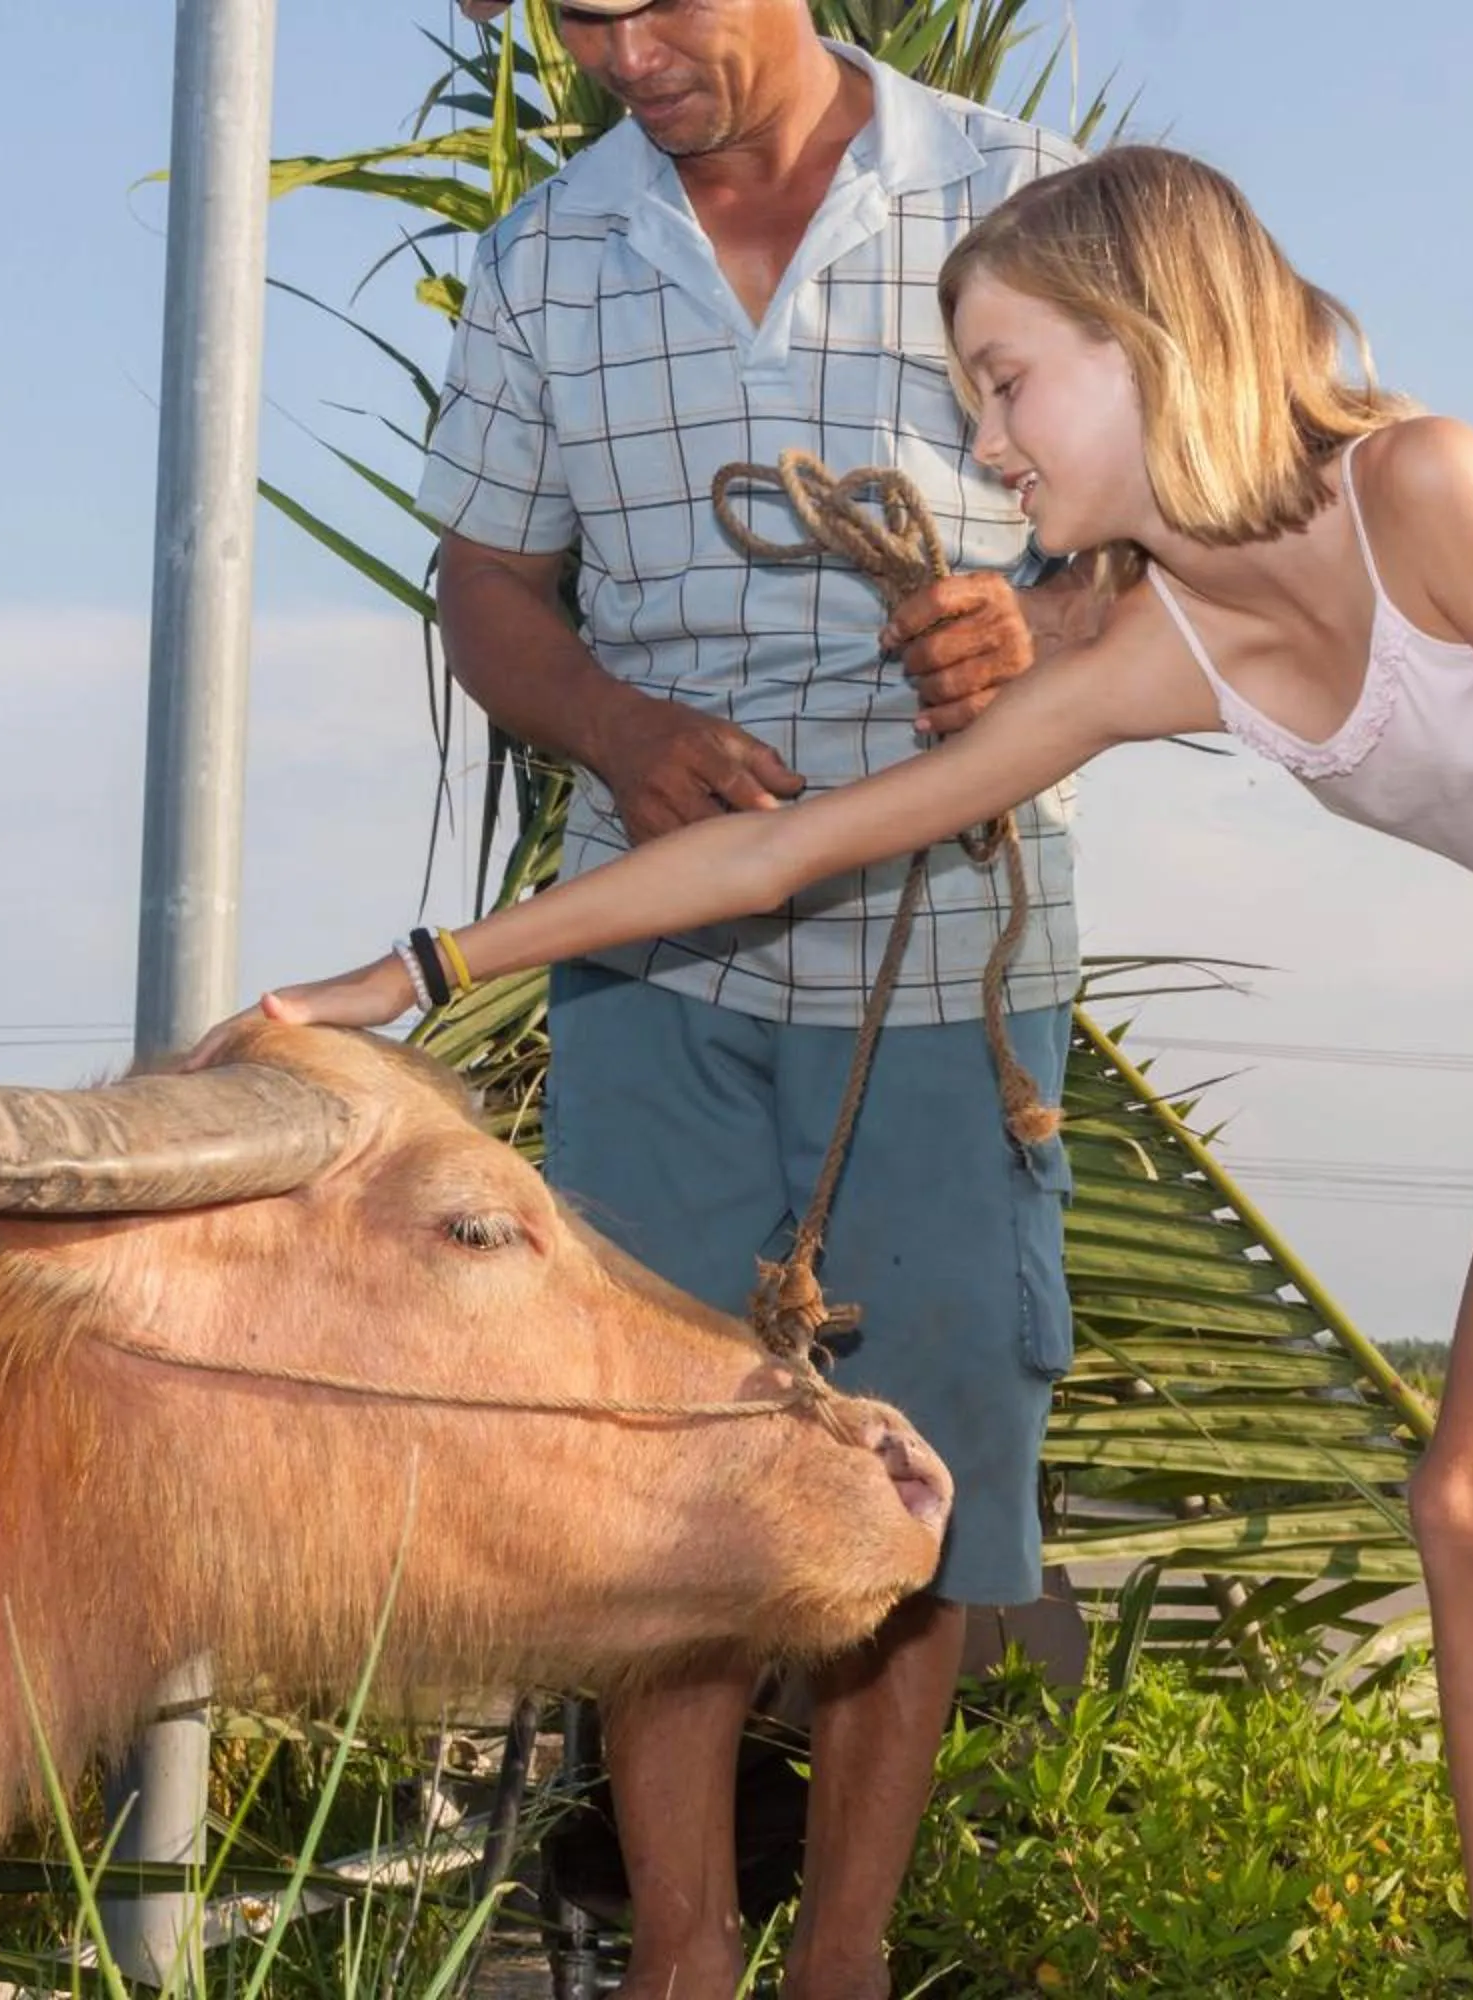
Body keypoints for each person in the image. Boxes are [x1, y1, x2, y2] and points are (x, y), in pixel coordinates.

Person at [215, 145, 1473, 2000]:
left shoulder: (1426, 485)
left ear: (1149, 340)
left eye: (1008, 384)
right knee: (1460, 1504)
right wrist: (414, 971)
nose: (986, 443)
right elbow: (782, 852)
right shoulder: (1166, 647)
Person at [407, 5, 1095, 1995]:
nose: (623, 53)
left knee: (922, 1469)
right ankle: (684, 1958)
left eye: (660, 5)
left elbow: (1184, 541)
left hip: (950, 955)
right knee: (658, 1471)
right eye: (579, 16)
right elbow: (487, 587)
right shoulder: (551, 254)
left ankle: (842, 1959)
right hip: (653, 950)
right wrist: (615, 726)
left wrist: (1035, 628)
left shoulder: (1027, 197)